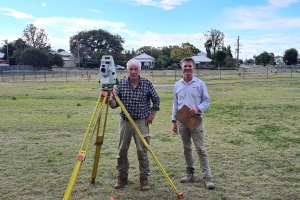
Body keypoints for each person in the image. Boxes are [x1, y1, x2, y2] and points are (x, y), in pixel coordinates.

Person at [108, 59, 160, 191]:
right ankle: (122, 176)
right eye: (130, 69)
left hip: (141, 122)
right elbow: (115, 104)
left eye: (135, 69)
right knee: (122, 150)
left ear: (140, 70)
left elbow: (156, 100)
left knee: (142, 151)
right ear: (127, 70)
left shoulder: (147, 83)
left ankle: (144, 178)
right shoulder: (121, 84)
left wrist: (152, 115)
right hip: (125, 122)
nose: (133, 71)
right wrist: (109, 101)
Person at [171, 57, 215, 190]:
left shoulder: (200, 84)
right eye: (185, 66)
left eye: (189, 66)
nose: (187, 68)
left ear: (193, 68)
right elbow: (175, 104)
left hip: (196, 120)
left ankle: (207, 177)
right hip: (182, 121)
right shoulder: (177, 85)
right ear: (181, 68)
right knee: (187, 149)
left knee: (200, 149)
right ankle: (189, 173)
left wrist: (198, 108)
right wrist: (173, 121)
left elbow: (206, 101)